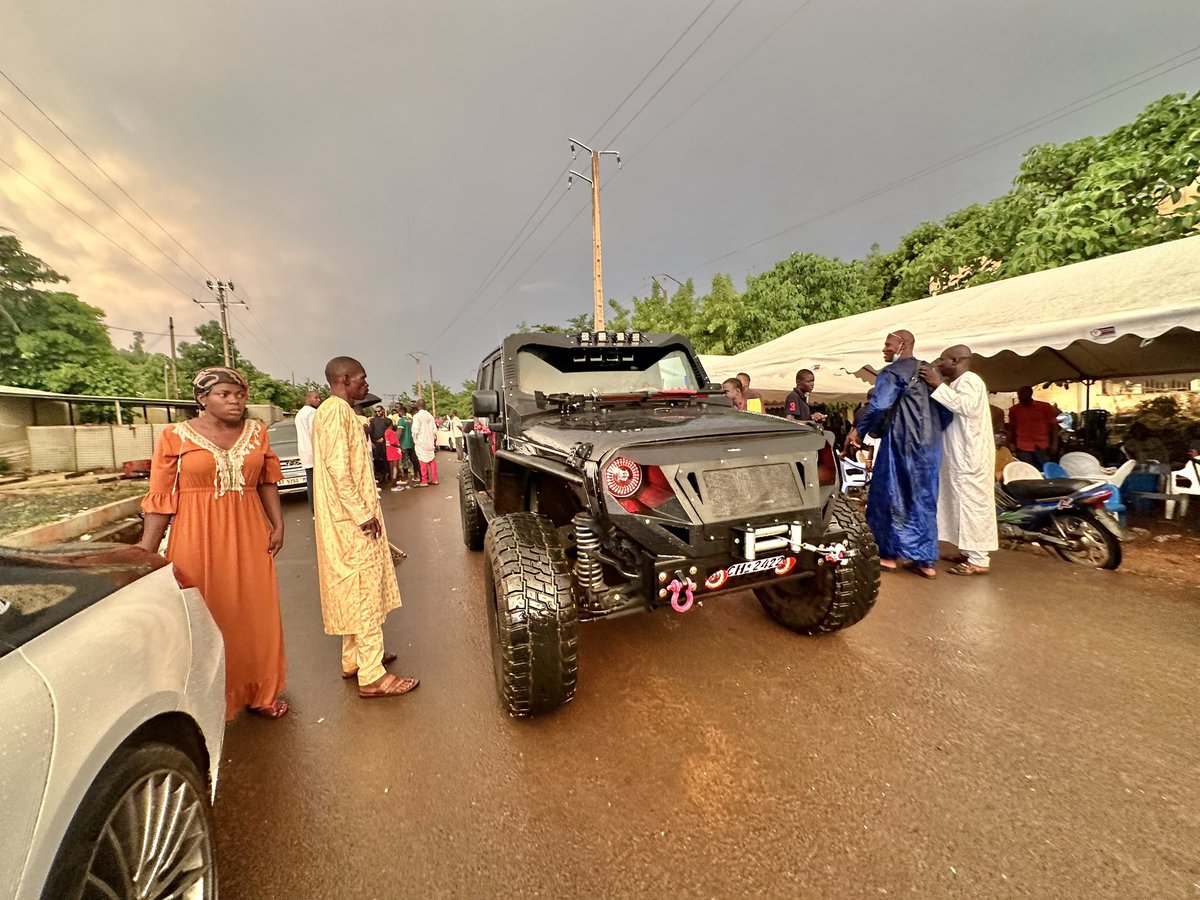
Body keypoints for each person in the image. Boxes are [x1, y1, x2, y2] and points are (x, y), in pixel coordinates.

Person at [138, 366, 289, 720]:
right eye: (224, 394)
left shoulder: (257, 432)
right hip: (196, 535)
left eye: (239, 395)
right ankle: (212, 699)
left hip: (250, 532)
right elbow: (161, 496)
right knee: (207, 615)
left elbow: (266, 481)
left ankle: (260, 691)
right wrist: (144, 552)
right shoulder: (175, 436)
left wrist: (277, 523)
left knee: (256, 613)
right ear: (202, 399)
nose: (235, 401)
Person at [312, 356, 418, 699]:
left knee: (353, 589)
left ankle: (355, 659)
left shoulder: (335, 411)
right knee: (363, 591)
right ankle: (373, 675)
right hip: (350, 522)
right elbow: (338, 469)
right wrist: (361, 513)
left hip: (345, 518)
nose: (367, 384)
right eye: (362, 379)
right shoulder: (336, 411)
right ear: (345, 379)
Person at [846, 330, 949, 579]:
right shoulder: (932, 374)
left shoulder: (893, 372)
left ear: (902, 345)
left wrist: (859, 430)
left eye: (888, 344)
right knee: (924, 498)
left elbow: (880, 404)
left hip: (901, 442)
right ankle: (925, 560)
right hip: (930, 446)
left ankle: (889, 555)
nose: (884, 349)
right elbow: (948, 412)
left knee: (888, 494)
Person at [920, 345, 999, 575]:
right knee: (958, 503)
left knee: (971, 505)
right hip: (958, 456)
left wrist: (937, 384)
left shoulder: (971, 380)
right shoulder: (956, 384)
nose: (939, 364)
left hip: (970, 457)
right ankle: (967, 550)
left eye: (942, 360)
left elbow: (965, 406)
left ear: (955, 361)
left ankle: (978, 560)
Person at [1007, 386, 1059, 467]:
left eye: (1022, 394)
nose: (1020, 396)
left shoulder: (1044, 407)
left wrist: (1054, 443)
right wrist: (1009, 443)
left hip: (1042, 445)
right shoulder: (1014, 410)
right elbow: (1011, 428)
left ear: (1030, 394)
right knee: (1027, 470)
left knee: (1045, 469)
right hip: (1023, 446)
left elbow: (1054, 426)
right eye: (1019, 394)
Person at [295, 389, 320, 512]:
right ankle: (318, 509)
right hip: (313, 450)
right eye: (316, 398)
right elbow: (314, 432)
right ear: (308, 398)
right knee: (318, 482)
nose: (319, 400)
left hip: (304, 450)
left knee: (310, 480)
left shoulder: (299, 414)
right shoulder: (312, 413)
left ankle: (313, 510)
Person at [411, 398, 439, 486]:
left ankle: (424, 481)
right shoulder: (430, 416)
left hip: (421, 441)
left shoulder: (417, 416)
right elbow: (434, 429)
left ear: (417, 406)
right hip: (430, 441)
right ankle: (434, 479)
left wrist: (415, 440)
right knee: (431, 459)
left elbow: (415, 430)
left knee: (423, 460)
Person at [368, 405, 391, 486]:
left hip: (385, 443)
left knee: (386, 461)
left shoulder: (388, 420)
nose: (377, 413)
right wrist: (373, 442)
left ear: (383, 410)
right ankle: (380, 476)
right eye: (376, 411)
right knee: (377, 461)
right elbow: (370, 432)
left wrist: (384, 439)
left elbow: (390, 431)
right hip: (376, 443)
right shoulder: (373, 421)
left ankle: (387, 476)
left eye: (379, 411)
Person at [396, 405, 418, 482]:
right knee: (414, 460)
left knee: (404, 461)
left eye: (398, 411)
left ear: (401, 412)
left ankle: (405, 478)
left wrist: (396, 441)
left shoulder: (401, 421)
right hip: (412, 443)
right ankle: (416, 475)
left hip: (404, 444)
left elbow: (399, 432)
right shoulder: (411, 420)